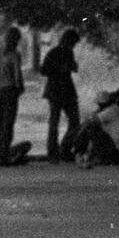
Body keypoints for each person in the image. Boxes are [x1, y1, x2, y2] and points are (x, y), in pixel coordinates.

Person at [0, 25, 25, 165]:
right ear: (16, 40)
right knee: (8, 124)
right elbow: (17, 76)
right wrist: (20, 88)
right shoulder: (14, 54)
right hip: (10, 91)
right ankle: (3, 155)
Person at [39, 27, 81, 162]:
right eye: (73, 43)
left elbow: (73, 67)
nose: (73, 46)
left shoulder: (67, 53)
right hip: (58, 91)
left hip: (61, 91)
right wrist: (59, 69)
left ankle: (61, 150)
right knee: (57, 122)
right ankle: (57, 151)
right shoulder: (54, 53)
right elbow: (44, 70)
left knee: (69, 122)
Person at [73, 86, 119, 168]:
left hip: (116, 152)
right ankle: (82, 154)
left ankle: (78, 153)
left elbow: (90, 121)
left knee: (90, 127)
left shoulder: (112, 110)